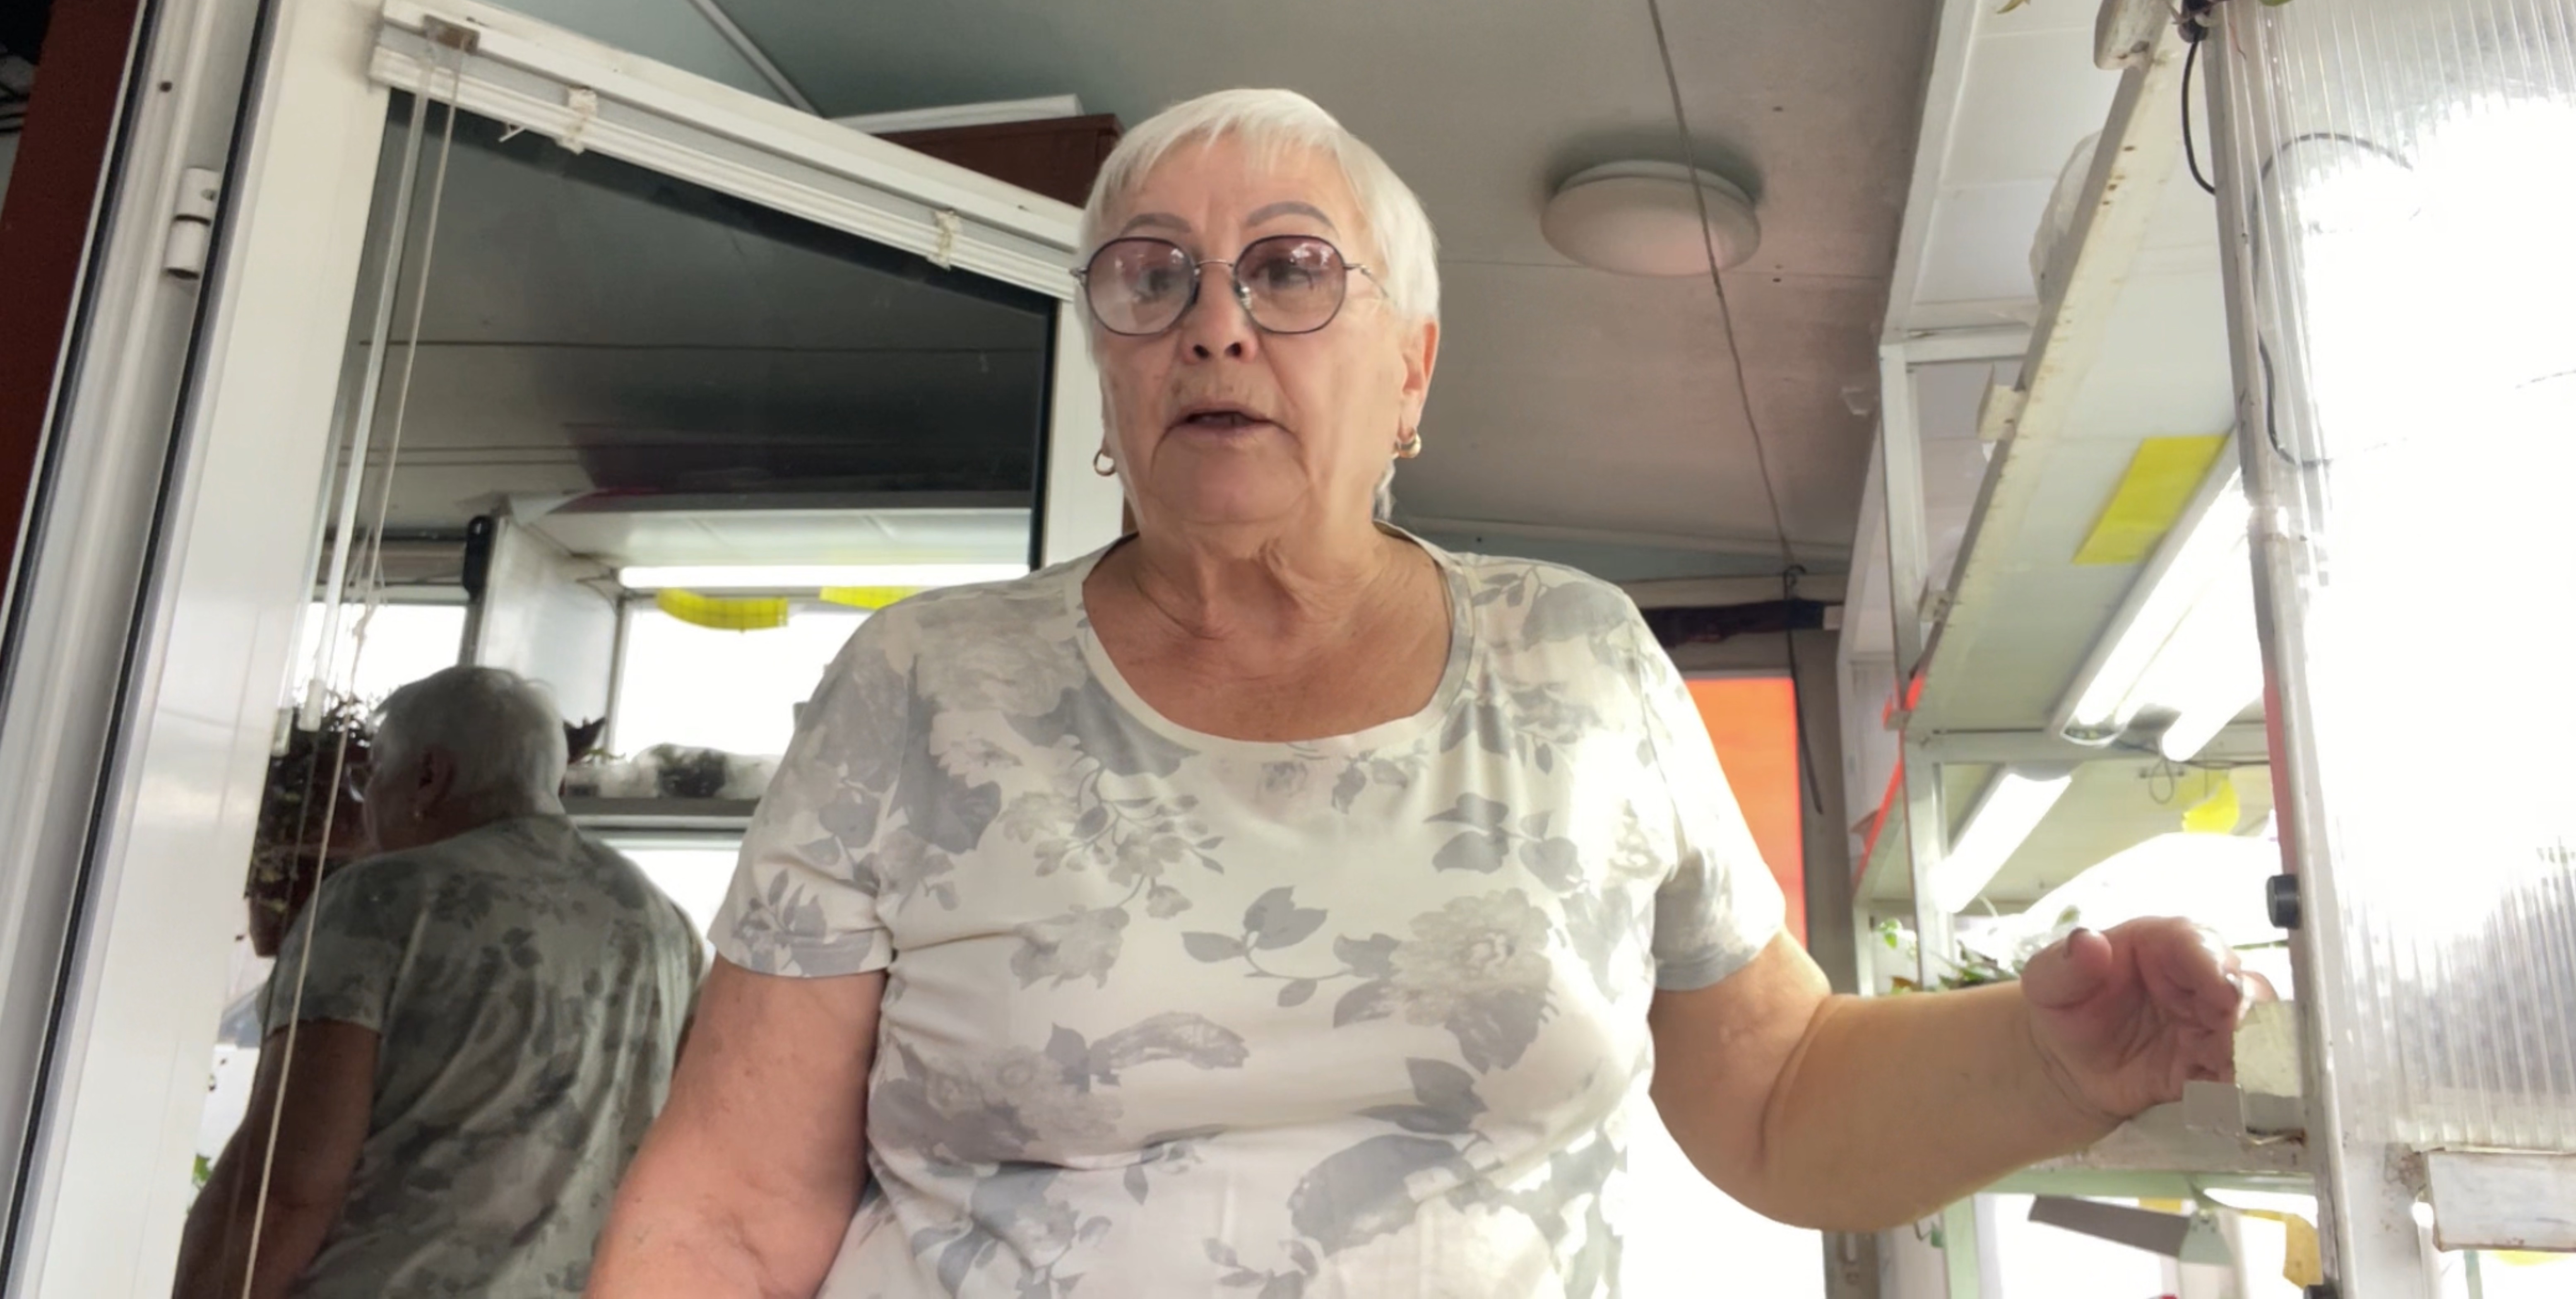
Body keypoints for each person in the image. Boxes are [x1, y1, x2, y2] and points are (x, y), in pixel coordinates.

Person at [589, 90, 2256, 1298]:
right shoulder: (920, 687)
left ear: (1410, 371)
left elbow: (1773, 1095)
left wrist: (2050, 1064)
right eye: (1151, 278)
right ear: (1106, 364)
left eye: (1289, 271)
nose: (1215, 326)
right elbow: (727, 1211)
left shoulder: (1577, 661)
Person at [176, 666, 705, 1298]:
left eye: (371, 776)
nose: (365, 804)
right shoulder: (664, 925)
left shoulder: (383, 900)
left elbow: (292, 1182)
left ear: (428, 775)